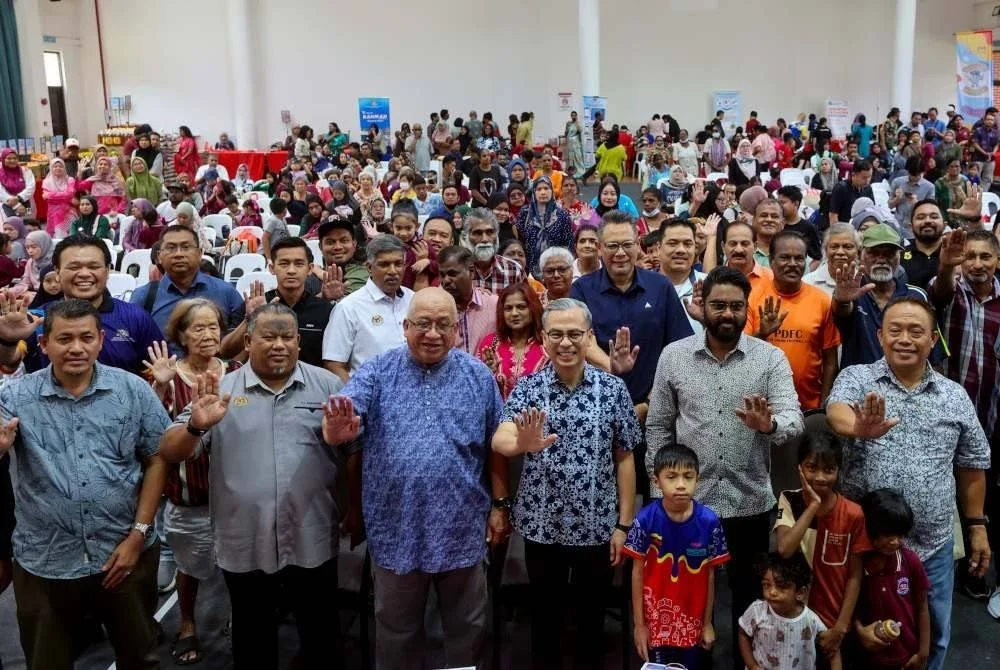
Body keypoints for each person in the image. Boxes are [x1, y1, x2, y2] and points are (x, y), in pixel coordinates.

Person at [158, 303, 353, 669]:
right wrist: (196, 426)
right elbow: (170, 450)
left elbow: (353, 450)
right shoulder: (220, 391)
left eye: (287, 337)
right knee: (252, 634)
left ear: (298, 341)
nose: (279, 345)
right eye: (268, 336)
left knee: (320, 633)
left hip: (310, 534)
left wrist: (344, 447)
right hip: (245, 537)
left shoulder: (327, 386)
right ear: (247, 342)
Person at [323, 287, 506, 670]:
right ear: (405, 327)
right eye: (423, 323)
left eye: (443, 324)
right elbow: (342, 417)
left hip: (461, 527)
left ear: (456, 329)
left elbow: (496, 444)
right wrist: (337, 430)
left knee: (466, 630)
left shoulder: (478, 376)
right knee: (396, 632)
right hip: (396, 528)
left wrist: (499, 506)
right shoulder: (378, 371)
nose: (433, 333)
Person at [646, 266, 804, 669]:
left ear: (746, 308)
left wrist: (769, 426)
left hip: (748, 502)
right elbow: (659, 425)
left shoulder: (769, 359)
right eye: (719, 305)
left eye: (736, 306)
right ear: (703, 306)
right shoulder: (674, 356)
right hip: (687, 505)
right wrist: (659, 488)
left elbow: (794, 419)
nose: (728, 314)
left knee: (748, 603)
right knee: (684, 601)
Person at [0, 299, 170, 670]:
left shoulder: (133, 391)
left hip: (125, 553)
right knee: (46, 662)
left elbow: (158, 459)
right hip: (45, 561)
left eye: (86, 338)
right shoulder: (15, 396)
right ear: (44, 344)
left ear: (100, 340)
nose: (76, 348)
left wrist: (138, 535)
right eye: (64, 339)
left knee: (140, 658)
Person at [827, 296, 992, 670]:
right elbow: (836, 413)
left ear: (932, 340)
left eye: (915, 331)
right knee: (859, 639)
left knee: (932, 636)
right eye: (895, 330)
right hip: (865, 548)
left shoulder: (954, 395)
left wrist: (977, 526)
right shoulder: (857, 378)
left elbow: (972, 465)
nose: (904, 339)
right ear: (880, 336)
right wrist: (858, 428)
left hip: (931, 546)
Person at [492, 297, 641, 670]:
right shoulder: (529, 388)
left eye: (575, 334)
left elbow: (625, 458)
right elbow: (500, 440)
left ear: (589, 337)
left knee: (592, 622)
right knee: (545, 621)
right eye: (556, 334)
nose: (565, 342)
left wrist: (624, 525)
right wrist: (522, 443)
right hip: (542, 528)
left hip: (597, 527)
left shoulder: (613, 389)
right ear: (544, 339)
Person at [143, 299, 239, 665]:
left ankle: (237, 617)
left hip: (236, 496)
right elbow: (151, 437)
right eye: (198, 328)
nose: (208, 335)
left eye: (213, 326)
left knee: (240, 565)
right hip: (189, 495)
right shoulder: (167, 377)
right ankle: (186, 624)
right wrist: (159, 387)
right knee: (189, 567)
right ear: (181, 335)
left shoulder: (237, 371)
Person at [571, 211, 693, 409]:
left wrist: (649, 403)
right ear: (600, 248)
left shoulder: (660, 286)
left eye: (627, 244)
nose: (620, 253)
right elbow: (580, 339)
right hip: (595, 406)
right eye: (612, 246)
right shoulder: (581, 289)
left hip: (655, 406)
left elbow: (680, 348)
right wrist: (611, 366)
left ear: (638, 245)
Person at [625, 444, 730, 668]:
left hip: (693, 623)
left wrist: (707, 623)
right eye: (671, 477)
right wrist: (639, 626)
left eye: (688, 477)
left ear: (698, 480)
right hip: (655, 624)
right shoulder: (644, 520)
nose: (681, 485)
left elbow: (711, 576)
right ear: (656, 481)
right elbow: (636, 574)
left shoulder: (710, 522)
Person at [0, 235, 163, 374]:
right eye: (74, 267)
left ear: (107, 271)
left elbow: (157, 372)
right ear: (57, 272)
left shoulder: (135, 318)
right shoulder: (37, 319)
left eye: (93, 266)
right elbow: (10, 364)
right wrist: (8, 341)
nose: (84, 274)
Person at [773, 432, 870, 659]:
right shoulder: (789, 500)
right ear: (799, 468)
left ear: (838, 471)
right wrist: (813, 507)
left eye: (828, 470)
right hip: (794, 617)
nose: (820, 477)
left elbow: (855, 576)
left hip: (833, 620)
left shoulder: (853, 514)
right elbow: (785, 549)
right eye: (811, 468)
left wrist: (841, 627)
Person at [746, 231, 840, 410]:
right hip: (761, 408)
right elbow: (740, 355)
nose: (792, 264)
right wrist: (762, 334)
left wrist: (823, 406)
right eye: (785, 258)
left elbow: (830, 360)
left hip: (809, 407)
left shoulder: (822, 300)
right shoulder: (752, 297)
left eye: (799, 258)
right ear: (771, 261)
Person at [831, 224, 937, 368]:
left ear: (899, 257)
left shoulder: (917, 296)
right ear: (860, 255)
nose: (881, 259)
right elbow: (842, 312)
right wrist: (842, 301)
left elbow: (933, 354)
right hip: (857, 381)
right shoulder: (851, 292)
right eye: (874, 253)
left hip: (905, 380)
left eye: (889, 254)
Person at [855, 489, 931, 670]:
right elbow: (851, 608)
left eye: (901, 535)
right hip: (866, 656)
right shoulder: (857, 565)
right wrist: (860, 631)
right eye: (888, 534)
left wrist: (923, 652)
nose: (895, 541)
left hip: (905, 655)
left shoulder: (910, 561)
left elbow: (922, 607)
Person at [322, 234, 412, 381]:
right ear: (369, 268)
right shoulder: (348, 308)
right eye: (384, 264)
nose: (393, 271)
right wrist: (356, 393)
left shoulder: (414, 300)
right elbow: (334, 365)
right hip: (369, 393)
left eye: (398, 264)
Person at [130, 226, 244, 336]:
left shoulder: (226, 292)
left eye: (186, 247)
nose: (178, 254)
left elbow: (242, 340)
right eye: (171, 248)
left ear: (200, 253)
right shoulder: (144, 297)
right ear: (159, 256)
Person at [738, 552, 841, 670]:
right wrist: (752, 665)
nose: (772, 592)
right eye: (766, 585)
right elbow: (743, 633)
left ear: (800, 592)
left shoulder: (810, 620)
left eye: (781, 586)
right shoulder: (757, 611)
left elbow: (833, 648)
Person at [476, 282, 547, 399]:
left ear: (533, 308)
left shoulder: (547, 343)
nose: (514, 313)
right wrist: (486, 372)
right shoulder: (490, 344)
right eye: (508, 308)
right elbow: (477, 389)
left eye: (521, 307)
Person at [437, 245, 499, 354]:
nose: (446, 281)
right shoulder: (434, 309)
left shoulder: (494, 305)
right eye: (442, 275)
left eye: (452, 274)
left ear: (471, 271)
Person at [514, 175, 573, 277]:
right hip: (529, 268)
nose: (543, 192)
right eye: (539, 189)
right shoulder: (525, 213)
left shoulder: (562, 215)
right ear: (534, 192)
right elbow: (520, 240)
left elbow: (568, 244)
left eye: (546, 188)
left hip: (555, 269)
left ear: (552, 191)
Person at [658, 218, 708, 335]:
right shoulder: (642, 286)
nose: (681, 250)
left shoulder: (709, 285)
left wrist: (706, 321)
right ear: (659, 248)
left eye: (687, 244)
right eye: (672, 243)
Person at [461, 208, 524, 292]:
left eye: (490, 232)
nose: (485, 239)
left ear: (497, 235)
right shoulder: (458, 269)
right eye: (477, 233)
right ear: (466, 237)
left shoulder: (514, 270)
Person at [804, 223, 860, 297]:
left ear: (857, 251)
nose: (840, 252)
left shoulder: (864, 281)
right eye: (834, 247)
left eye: (847, 247)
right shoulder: (807, 283)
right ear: (825, 250)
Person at [899, 199, 945, 290]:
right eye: (920, 217)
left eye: (934, 217)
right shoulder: (899, 254)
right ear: (911, 226)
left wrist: (973, 220)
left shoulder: (955, 253)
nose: (927, 221)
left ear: (944, 224)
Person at [888, 157, 935, 241]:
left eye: (917, 175)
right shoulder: (897, 182)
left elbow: (930, 210)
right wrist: (897, 198)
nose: (914, 178)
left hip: (914, 230)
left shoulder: (929, 187)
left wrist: (917, 203)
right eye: (911, 174)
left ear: (922, 172)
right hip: (897, 226)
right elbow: (890, 206)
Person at [776, 186, 821, 264]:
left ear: (796, 204)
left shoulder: (808, 228)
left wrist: (806, 270)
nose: (779, 206)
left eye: (783, 202)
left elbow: (817, 258)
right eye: (778, 203)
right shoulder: (776, 225)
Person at [829, 160, 875, 225]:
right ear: (853, 174)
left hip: (862, 225)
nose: (867, 181)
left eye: (869, 177)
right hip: (845, 226)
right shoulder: (841, 188)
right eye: (864, 177)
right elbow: (833, 215)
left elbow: (871, 211)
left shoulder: (868, 188)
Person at [41, 158, 77, 238]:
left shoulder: (70, 180)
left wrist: (50, 195)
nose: (58, 168)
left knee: (71, 235)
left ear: (64, 168)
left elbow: (69, 194)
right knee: (56, 237)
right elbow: (46, 198)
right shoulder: (46, 182)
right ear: (51, 168)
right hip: (53, 213)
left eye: (60, 166)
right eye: (55, 166)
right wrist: (64, 196)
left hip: (68, 212)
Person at [0, 148, 35, 218]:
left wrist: (18, 197)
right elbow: (1, 192)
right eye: (9, 158)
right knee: (11, 222)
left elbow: (31, 187)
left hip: (27, 202)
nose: (12, 160)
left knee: (29, 220)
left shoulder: (25, 170)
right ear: (3, 159)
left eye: (15, 158)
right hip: (7, 204)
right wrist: (16, 205)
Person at [565, 111, 585, 175]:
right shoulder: (568, 123)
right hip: (570, 142)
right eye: (572, 115)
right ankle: (572, 170)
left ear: (576, 116)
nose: (573, 116)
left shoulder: (578, 123)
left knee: (578, 156)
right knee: (571, 156)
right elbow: (566, 132)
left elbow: (580, 131)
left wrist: (576, 123)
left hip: (576, 143)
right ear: (571, 116)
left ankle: (579, 170)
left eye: (574, 115)